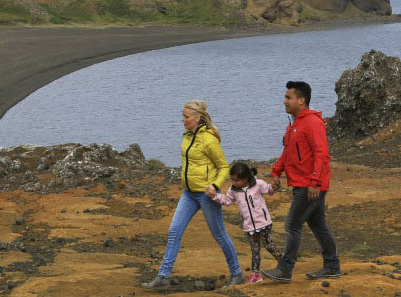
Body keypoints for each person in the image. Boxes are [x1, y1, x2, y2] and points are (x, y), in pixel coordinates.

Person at [142, 100, 244, 289]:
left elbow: (223, 167)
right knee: (174, 231)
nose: (182, 119)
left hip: (207, 195)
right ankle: (163, 276)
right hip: (188, 193)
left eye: (186, 116)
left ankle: (237, 274)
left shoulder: (209, 139)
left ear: (197, 118)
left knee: (219, 234)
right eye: (183, 115)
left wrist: (214, 185)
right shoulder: (187, 136)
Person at [261, 81, 340, 283]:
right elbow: (289, 151)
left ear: (301, 100)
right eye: (286, 97)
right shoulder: (294, 123)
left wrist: (315, 182)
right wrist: (277, 170)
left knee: (292, 224)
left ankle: (285, 270)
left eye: (289, 97)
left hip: (310, 185)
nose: (285, 101)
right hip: (303, 183)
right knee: (318, 225)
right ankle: (332, 266)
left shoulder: (312, 123)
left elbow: (322, 154)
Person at [209, 162, 283, 284]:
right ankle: (255, 275)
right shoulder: (233, 190)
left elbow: (268, 190)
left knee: (269, 245)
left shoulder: (258, 184)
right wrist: (215, 196)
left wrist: (274, 187)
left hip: (263, 223)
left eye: (236, 180)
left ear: (245, 179)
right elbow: (227, 201)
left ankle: (284, 264)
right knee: (255, 250)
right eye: (232, 180)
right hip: (249, 226)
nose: (233, 183)